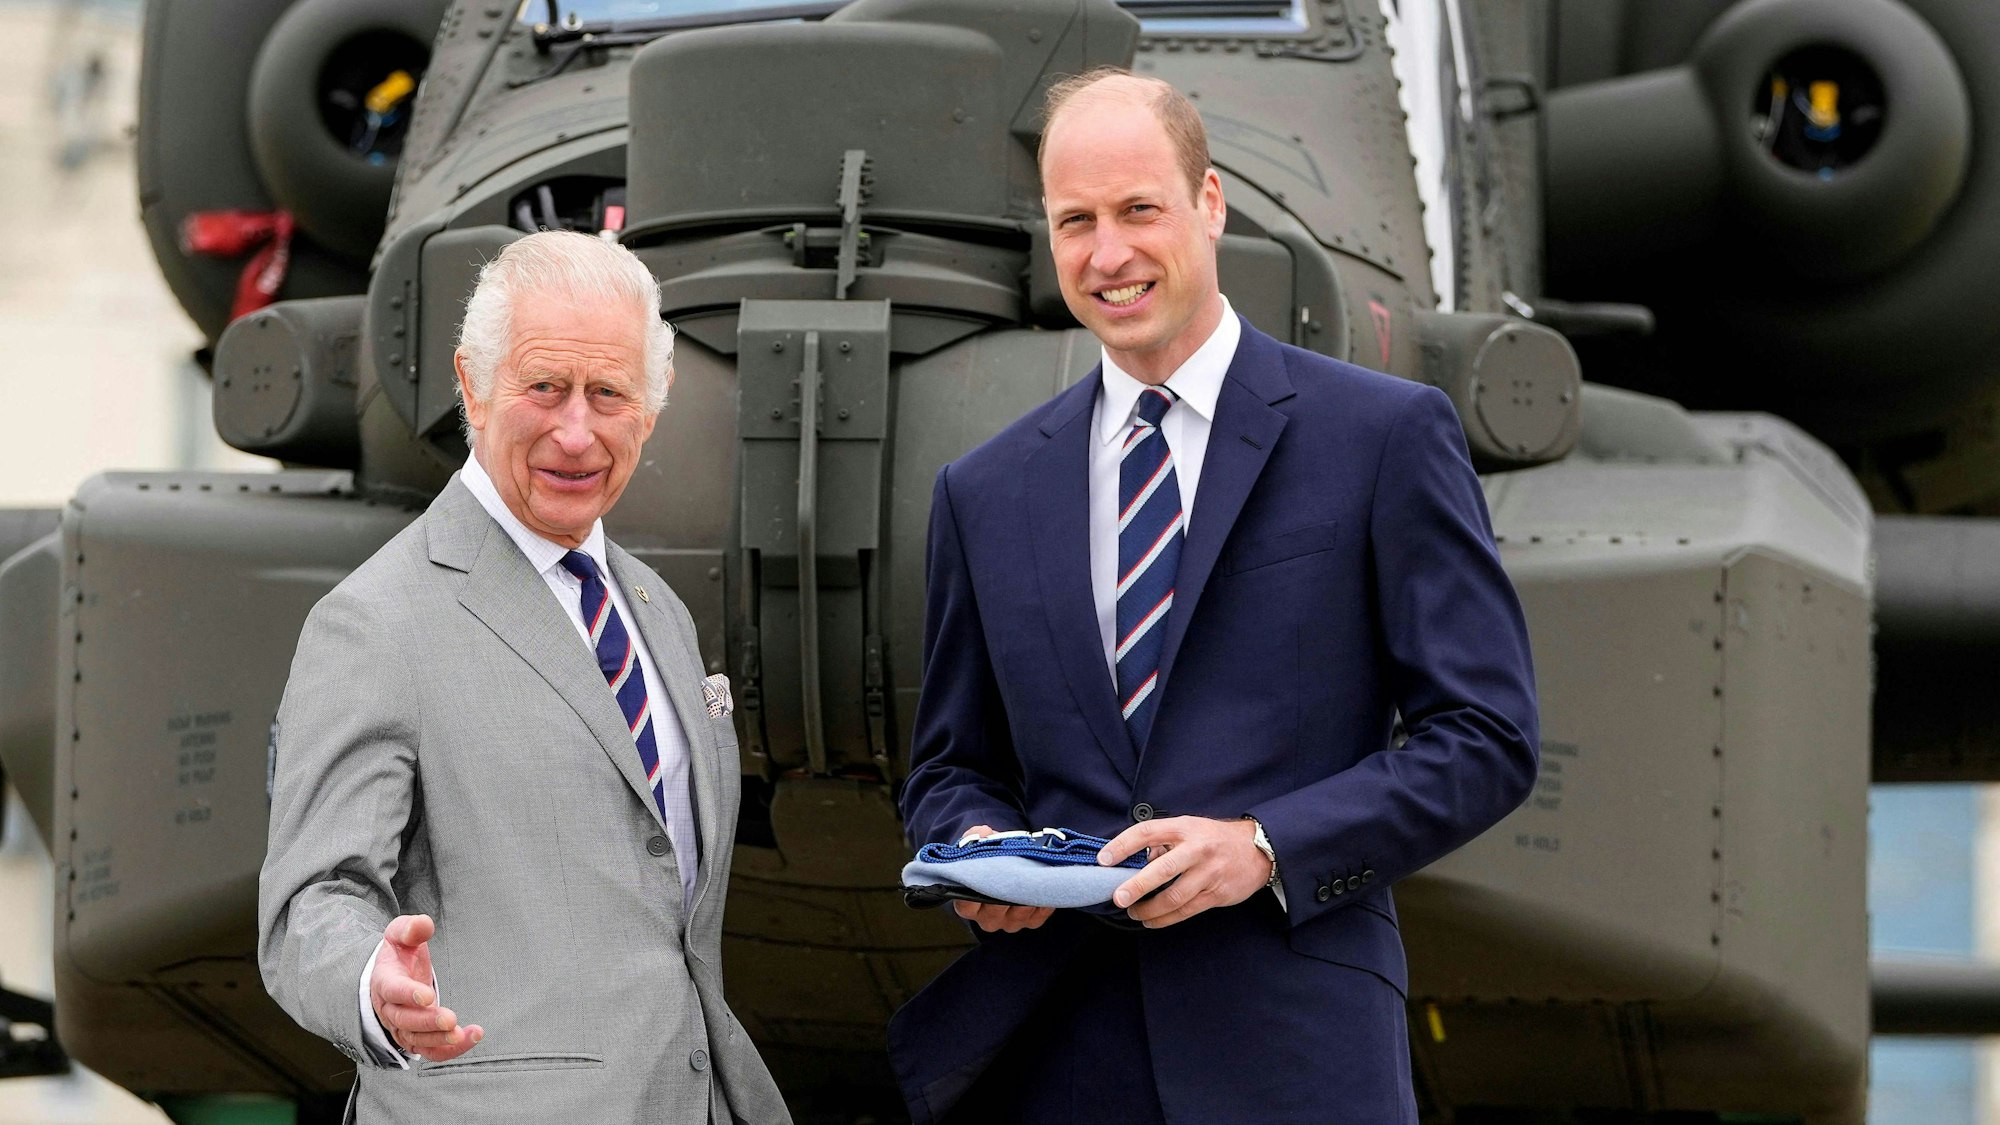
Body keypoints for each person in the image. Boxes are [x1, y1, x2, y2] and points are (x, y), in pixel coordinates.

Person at [888, 68, 1540, 1124]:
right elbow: (954, 766)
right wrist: (973, 853)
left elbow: (1485, 736)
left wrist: (1265, 847)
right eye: (1074, 221)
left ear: (1208, 203)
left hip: (1297, 1058)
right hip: (1053, 1061)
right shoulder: (983, 491)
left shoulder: (1382, 437)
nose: (1107, 254)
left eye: (1138, 209)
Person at [258, 231, 789, 1124]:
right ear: (472, 383)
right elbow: (314, 900)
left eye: (608, 394)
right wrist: (370, 984)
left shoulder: (656, 610)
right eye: (544, 387)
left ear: (650, 410)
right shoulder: (375, 622)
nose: (575, 431)